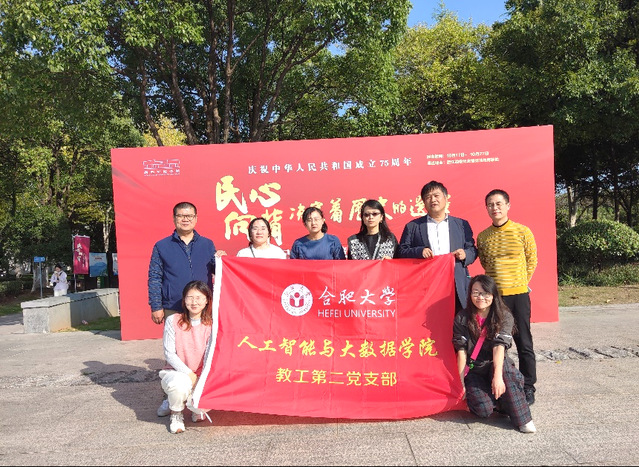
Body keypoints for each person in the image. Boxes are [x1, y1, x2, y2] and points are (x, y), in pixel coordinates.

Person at [148, 201, 223, 418]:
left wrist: (221, 260)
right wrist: (156, 305)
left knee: (203, 349)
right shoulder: (162, 246)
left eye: (190, 216)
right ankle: (171, 397)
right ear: (174, 219)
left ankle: (199, 395)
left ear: (196, 218)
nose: (185, 219)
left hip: (202, 307)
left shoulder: (207, 244)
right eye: (181, 215)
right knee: (174, 353)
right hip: (174, 305)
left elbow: (217, 270)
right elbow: (155, 277)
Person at [452, 274, 536, 433]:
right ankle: (504, 401)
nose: (480, 297)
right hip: (475, 370)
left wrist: (497, 378)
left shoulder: (503, 316)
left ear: (493, 295)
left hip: (496, 364)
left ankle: (524, 420)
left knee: (505, 371)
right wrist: (461, 382)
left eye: (485, 293)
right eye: (476, 292)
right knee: (483, 409)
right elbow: (461, 351)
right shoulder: (462, 317)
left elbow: (499, 347)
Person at [477, 189, 538, 405]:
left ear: (508, 206)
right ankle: (499, 382)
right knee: (496, 341)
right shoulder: (483, 237)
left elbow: (532, 259)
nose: (495, 208)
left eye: (499, 203)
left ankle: (528, 386)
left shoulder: (522, 231)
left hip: (519, 295)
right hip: (496, 299)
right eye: (490, 204)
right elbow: (486, 263)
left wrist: (519, 282)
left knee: (524, 342)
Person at [398, 181, 477, 311]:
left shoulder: (461, 224)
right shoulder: (413, 226)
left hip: (456, 283)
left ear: (445, 198)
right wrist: (419, 251)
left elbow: (472, 250)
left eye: (436, 195)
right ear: (423, 202)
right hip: (426, 285)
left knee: (458, 320)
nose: (433, 200)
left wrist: (465, 254)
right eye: (428, 197)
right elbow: (401, 251)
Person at [160, 280, 213, 434]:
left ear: (206, 300)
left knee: (202, 406)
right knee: (178, 384)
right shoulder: (173, 320)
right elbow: (169, 353)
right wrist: (189, 374)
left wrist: (200, 378)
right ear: (184, 300)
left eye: (199, 298)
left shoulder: (212, 324)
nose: (194, 302)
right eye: (190, 297)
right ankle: (176, 413)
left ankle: (193, 403)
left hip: (201, 374)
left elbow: (209, 354)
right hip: (176, 372)